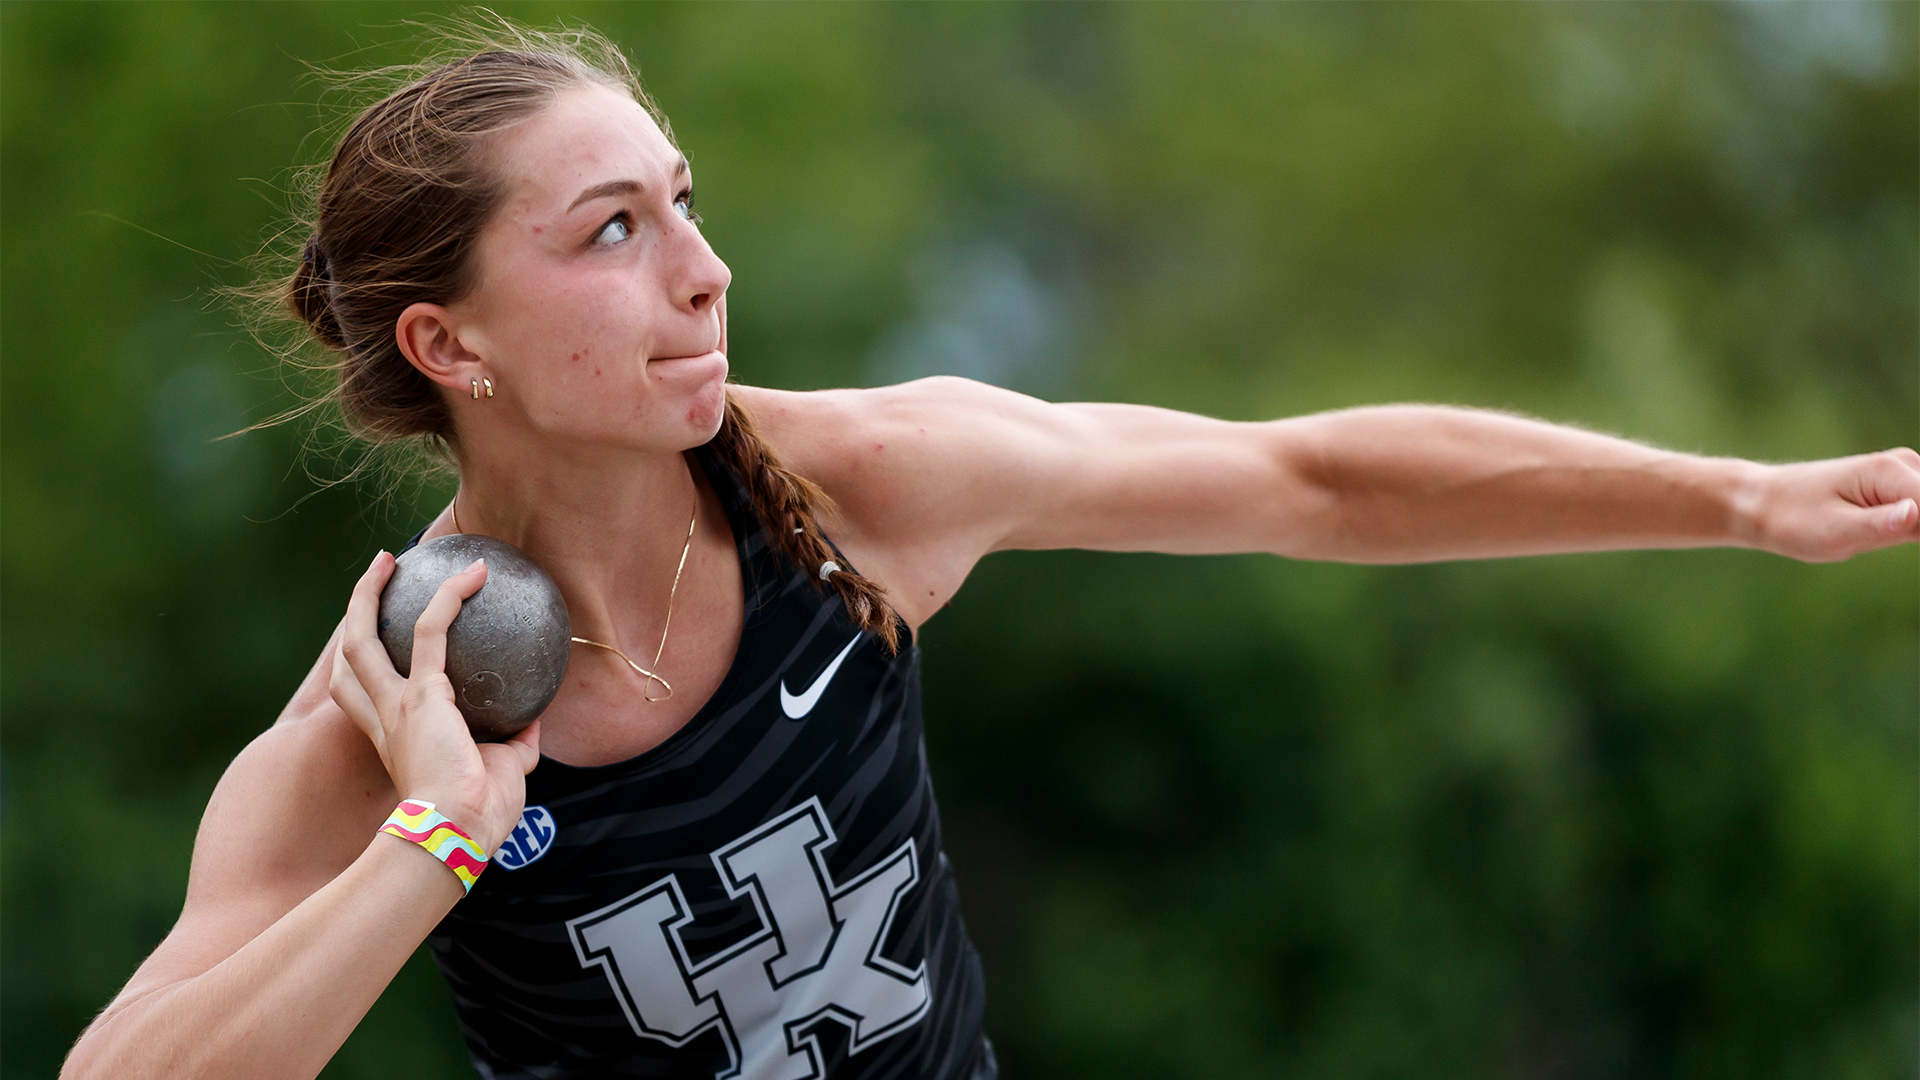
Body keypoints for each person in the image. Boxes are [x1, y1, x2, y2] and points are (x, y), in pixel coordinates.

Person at [59, 23, 1920, 1080]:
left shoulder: (855, 491)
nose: (703, 270)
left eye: (684, 204)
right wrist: (438, 839)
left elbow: (1309, 480)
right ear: (448, 348)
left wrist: (1734, 495)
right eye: (611, 231)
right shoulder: (388, 711)